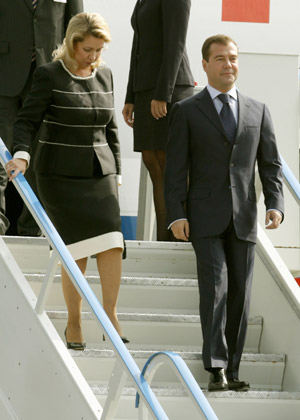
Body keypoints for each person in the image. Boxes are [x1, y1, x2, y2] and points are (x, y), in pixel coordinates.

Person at [164, 35, 284, 391]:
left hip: (244, 217)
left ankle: (232, 370)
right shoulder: (187, 110)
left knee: (240, 297)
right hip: (203, 216)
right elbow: (174, 169)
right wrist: (176, 214)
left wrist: (275, 203)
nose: (227, 64)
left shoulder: (258, 110)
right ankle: (214, 367)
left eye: (232, 58)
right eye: (219, 58)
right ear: (204, 64)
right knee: (215, 287)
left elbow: (271, 165)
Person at [6, 12, 128, 349]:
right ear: (72, 43)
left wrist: (116, 173)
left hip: (100, 174)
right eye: (88, 49)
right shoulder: (48, 75)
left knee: (114, 242)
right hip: (59, 175)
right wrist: (21, 154)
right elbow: (26, 121)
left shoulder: (105, 75)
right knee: (75, 251)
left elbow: (111, 129)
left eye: (98, 50)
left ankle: (110, 313)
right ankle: (74, 323)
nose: (94, 57)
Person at [0, 0, 83, 236]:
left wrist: (73, 76)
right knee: (0, 152)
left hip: (49, 76)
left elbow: (76, 25)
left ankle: (31, 228)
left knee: (39, 157)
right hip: (4, 73)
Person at [122, 0, 194, 241]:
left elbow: (176, 43)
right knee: (152, 162)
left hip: (169, 89)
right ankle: (165, 237)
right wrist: (131, 95)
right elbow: (138, 45)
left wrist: (163, 94)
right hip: (145, 90)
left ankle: (180, 238)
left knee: (170, 166)